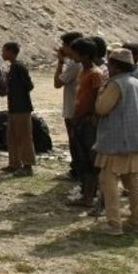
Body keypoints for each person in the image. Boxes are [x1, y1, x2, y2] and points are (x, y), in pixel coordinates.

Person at [93, 48, 138, 235]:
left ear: (116, 65)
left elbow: (102, 108)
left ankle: (114, 224)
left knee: (108, 181)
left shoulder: (116, 84)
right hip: (135, 138)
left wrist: (101, 91)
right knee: (133, 181)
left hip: (116, 141)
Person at [67, 37, 105, 207]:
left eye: (75, 52)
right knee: (83, 158)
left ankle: (90, 195)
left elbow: (98, 97)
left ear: (84, 55)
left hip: (89, 121)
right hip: (80, 119)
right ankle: (86, 193)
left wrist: (93, 116)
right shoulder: (83, 71)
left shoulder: (95, 74)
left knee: (91, 159)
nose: (72, 55)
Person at [54, 31, 85, 180]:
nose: (61, 48)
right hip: (76, 108)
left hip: (73, 109)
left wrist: (60, 62)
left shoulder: (74, 64)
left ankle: (76, 171)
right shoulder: (76, 63)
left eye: (64, 45)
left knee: (75, 142)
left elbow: (57, 83)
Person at [2, 42, 35, 177]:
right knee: (12, 136)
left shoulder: (19, 67)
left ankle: (27, 165)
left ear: (11, 52)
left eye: (4, 51)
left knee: (24, 137)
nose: (2, 54)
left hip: (22, 107)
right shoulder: (13, 67)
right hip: (13, 107)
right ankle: (14, 163)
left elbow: (29, 85)